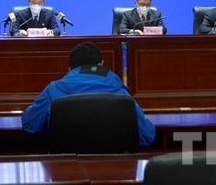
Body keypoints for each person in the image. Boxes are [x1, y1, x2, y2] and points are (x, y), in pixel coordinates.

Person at [21, 41, 155, 147]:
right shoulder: (122, 93)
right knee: (171, 137)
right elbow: (147, 136)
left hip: (65, 169)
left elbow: (30, 125)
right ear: (101, 64)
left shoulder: (53, 90)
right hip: (115, 168)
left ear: (70, 68)